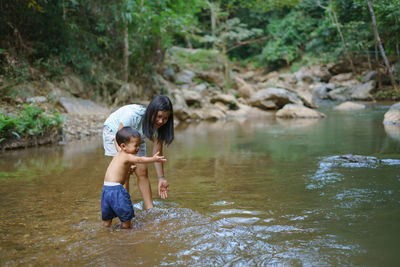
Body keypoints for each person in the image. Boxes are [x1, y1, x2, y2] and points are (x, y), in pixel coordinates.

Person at [102, 95, 174, 210]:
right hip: (115, 132)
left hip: (136, 136)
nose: (161, 121)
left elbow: (157, 153)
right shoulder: (132, 116)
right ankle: (125, 207)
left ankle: (150, 208)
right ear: (152, 111)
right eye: (159, 116)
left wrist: (161, 178)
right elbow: (118, 138)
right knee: (124, 172)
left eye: (165, 118)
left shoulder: (159, 127)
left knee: (142, 170)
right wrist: (126, 160)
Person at [102, 126, 167, 229]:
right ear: (123, 146)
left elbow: (120, 168)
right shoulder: (127, 155)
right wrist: (153, 159)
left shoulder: (118, 154)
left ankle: (106, 233)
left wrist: (128, 170)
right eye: (136, 145)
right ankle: (126, 234)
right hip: (117, 190)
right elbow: (140, 160)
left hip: (106, 190)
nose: (138, 148)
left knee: (107, 218)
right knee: (126, 217)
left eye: (139, 145)